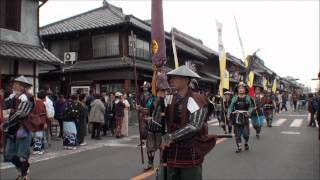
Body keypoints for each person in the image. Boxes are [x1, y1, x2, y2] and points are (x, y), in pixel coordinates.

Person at [160, 65, 217, 180]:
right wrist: (159, 100)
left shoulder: (198, 99)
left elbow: (194, 126)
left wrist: (171, 137)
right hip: (170, 150)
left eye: (175, 77)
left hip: (190, 149)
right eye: (171, 78)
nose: (171, 80)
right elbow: (158, 119)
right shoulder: (168, 98)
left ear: (185, 80)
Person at [1, 76, 34, 180]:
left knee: (22, 156)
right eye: (14, 83)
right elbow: (3, 107)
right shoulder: (12, 97)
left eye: (17, 84)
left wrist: (6, 123)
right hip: (11, 130)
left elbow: (21, 114)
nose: (14, 85)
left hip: (22, 129)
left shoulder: (27, 97)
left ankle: (24, 175)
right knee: (9, 155)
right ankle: (22, 169)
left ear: (23, 87)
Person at [227, 82, 254, 153]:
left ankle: (246, 142)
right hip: (237, 117)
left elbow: (251, 106)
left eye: (242, 88)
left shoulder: (248, 97)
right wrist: (228, 113)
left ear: (245, 89)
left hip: (245, 117)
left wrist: (249, 112)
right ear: (237, 89)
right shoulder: (234, 98)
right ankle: (239, 147)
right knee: (237, 134)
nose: (241, 89)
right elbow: (230, 107)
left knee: (246, 134)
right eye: (239, 88)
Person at [31, 90, 48, 155]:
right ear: (44, 97)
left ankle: (36, 149)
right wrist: (44, 123)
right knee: (39, 135)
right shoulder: (41, 103)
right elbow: (42, 114)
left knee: (36, 136)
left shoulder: (34, 102)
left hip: (33, 121)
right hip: (39, 121)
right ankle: (38, 149)